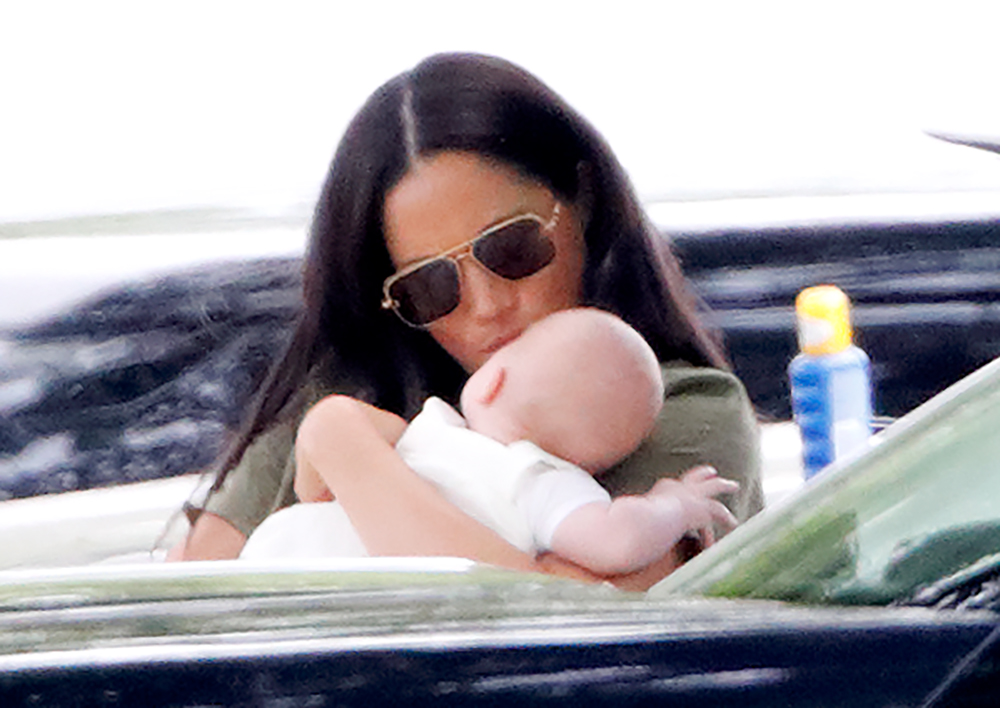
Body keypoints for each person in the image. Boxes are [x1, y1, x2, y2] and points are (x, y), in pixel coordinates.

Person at [171, 52, 764, 586]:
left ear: (581, 201)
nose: (486, 305)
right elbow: (187, 608)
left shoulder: (676, 408)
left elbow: (565, 622)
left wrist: (346, 448)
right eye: (430, 286)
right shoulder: (348, 388)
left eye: (512, 248)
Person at [240, 308, 739, 576]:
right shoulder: (544, 482)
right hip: (360, 597)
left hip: (281, 556)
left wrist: (333, 440)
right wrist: (670, 506)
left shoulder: (443, 435)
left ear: (493, 379)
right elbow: (616, 540)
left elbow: (318, 482)